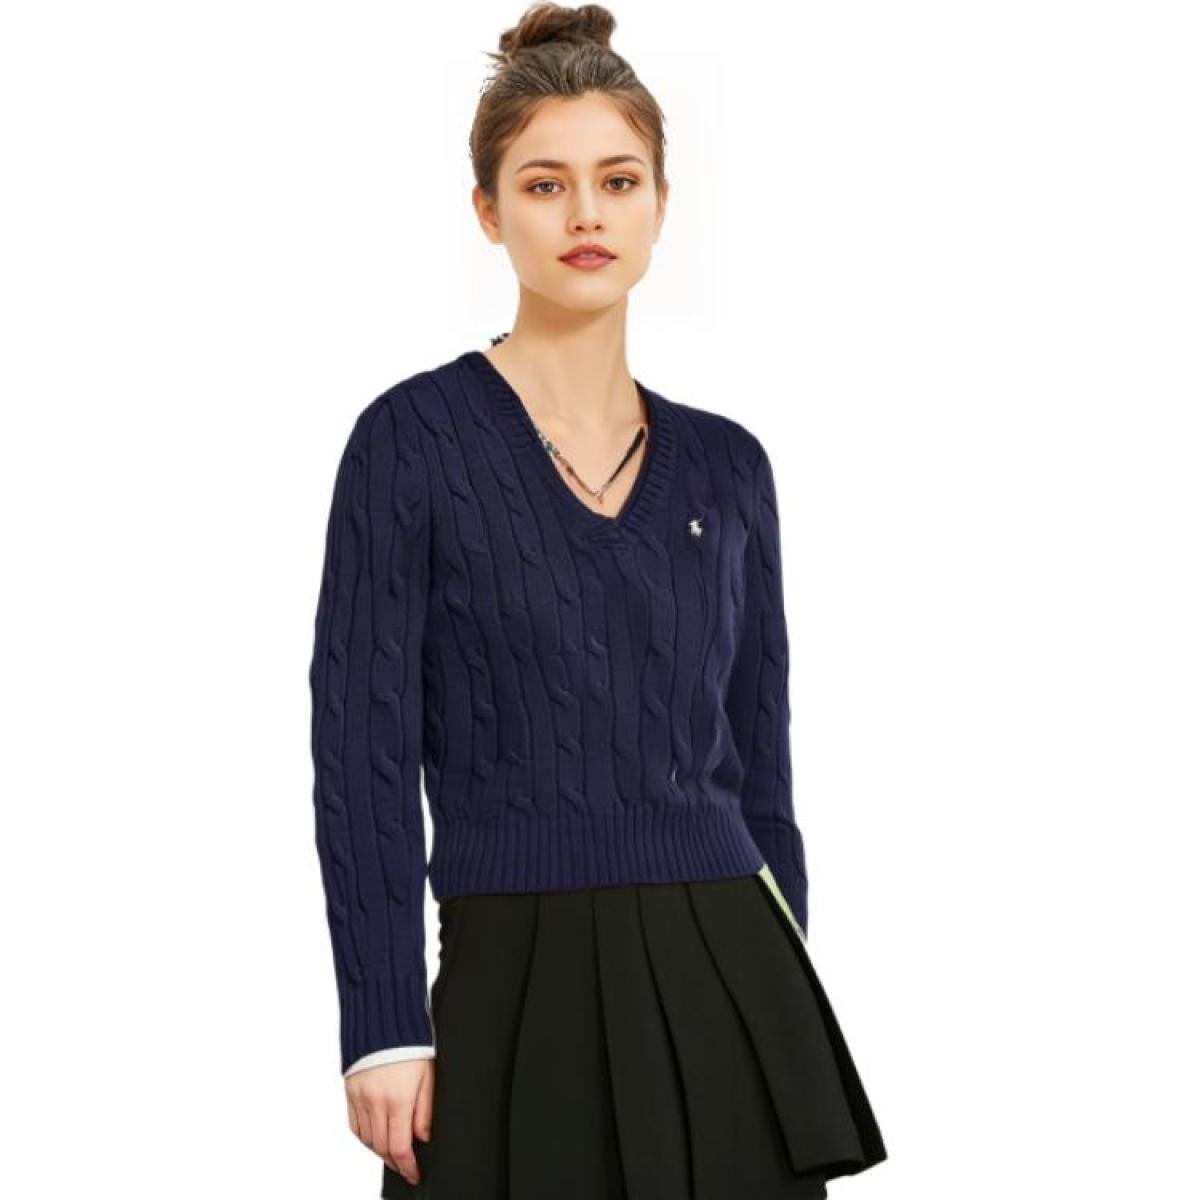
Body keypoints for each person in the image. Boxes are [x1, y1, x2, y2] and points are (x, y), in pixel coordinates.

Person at [308, 3, 888, 1196]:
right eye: (545, 185)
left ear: (661, 205)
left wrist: (789, 990)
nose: (586, 215)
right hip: (508, 977)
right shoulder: (409, 442)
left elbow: (762, 770)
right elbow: (361, 755)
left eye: (618, 181)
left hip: (733, 970)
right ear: (488, 210)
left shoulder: (728, 465)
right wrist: (382, 1020)